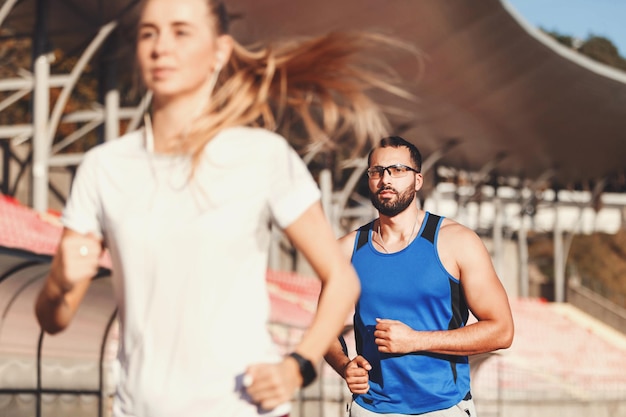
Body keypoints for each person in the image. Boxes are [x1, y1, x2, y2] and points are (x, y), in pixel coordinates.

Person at [34, 1, 414, 416]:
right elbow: (54, 319)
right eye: (148, 33)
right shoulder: (103, 168)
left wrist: (296, 368)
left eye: (181, 31)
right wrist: (59, 282)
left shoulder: (262, 156)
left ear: (220, 50)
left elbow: (342, 280)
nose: (161, 46)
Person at [324, 136, 514, 416]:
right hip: (371, 409)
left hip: (443, 407)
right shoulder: (346, 250)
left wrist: (416, 340)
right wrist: (344, 366)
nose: (386, 179)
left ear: (418, 180)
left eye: (398, 170)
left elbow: (502, 330)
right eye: (377, 171)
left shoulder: (457, 242)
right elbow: (324, 329)